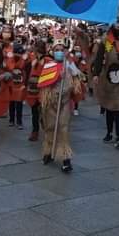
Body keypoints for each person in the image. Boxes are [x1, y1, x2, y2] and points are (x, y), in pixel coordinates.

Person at [40, 35, 83, 173]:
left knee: (63, 130)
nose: (59, 51)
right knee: (50, 128)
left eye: (61, 49)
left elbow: (78, 82)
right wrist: (55, 76)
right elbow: (43, 83)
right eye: (56, 49)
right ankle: (48, 152)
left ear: (65, 51)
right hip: (51, 103)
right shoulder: (48, 65)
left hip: (64, 103)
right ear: (53, 51)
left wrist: (69, 76)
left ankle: (65, 159)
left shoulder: (69, 65)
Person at [93, 22, 119, 149]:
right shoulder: (106, 41)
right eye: (116, 26)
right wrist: (96, 73)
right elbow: (99, 57)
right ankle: (109, 132)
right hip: (108, 78)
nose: (118, 28)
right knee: (109, 106)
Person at [26, 39, 47, 142]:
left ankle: (44, 126)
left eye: (40, 47)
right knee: (34, 110)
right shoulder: (32, 57)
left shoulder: (47, 59)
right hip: (33, 87)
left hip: (43, 87)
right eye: (37, 47)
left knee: (43, 109)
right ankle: (35, 131)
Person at [8, 41, 29, 128]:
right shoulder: (10, 58)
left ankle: (19, 122)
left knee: (19, 103)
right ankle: (12, 120)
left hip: (20, 84)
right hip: (11, 83)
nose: (17, 54)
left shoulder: (24, 59)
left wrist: (25, 84)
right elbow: (9, 67)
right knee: (11, 103)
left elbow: (27, 70)